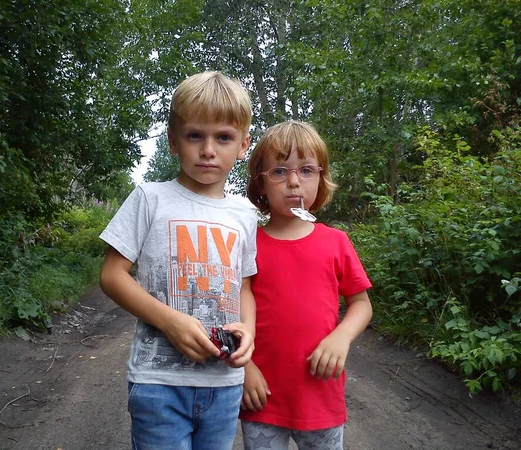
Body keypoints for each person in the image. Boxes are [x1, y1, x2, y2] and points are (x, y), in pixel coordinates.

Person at [99, 71, 258, 450]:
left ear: (243, 145)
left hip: (223, 385)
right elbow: (111, 275)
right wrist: (169, 321)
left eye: (223, 137)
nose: (208, 149)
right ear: (173, 141)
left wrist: (249, 330)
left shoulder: (246, 214)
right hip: (158, 383)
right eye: (194, 136)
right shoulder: (149, 198)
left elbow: (245, 285)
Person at [240, 121, 373, 450]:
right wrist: (246, 368)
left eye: (307, 170)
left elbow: (361, 304)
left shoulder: (336, 242)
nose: (294, 181)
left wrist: (342, 336)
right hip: (261, 396)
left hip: (320, 396)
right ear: (261, 182)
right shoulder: (247, 244)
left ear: (321, 179)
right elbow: (233, 307)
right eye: (280, 171)